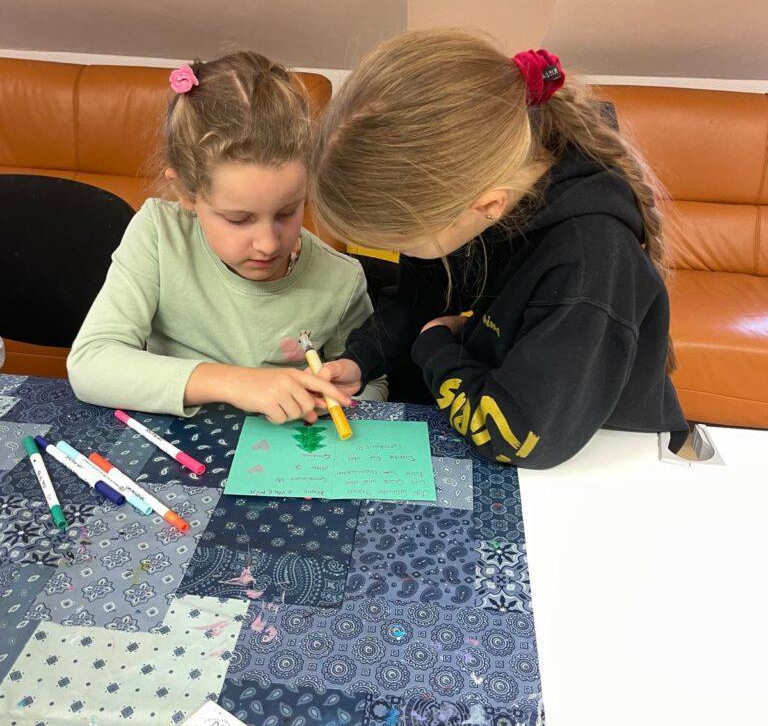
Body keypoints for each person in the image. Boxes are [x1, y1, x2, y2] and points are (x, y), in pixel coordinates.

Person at [309, 29, 687, 468]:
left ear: (488, 205)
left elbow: (522, 437)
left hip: (599, 461)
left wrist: (435, 348)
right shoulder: (473, 198)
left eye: (402, 242)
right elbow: (418, 299)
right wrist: (361, 360)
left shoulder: (588, 261)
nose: (401, 252)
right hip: (505, 410)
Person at [69, 51, 385, 421]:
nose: (268, 244)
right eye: (238, 219)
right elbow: (91, 362)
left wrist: (343, 397)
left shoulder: (342, 280)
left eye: (287, 212)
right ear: (186, 192)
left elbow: (373, 383)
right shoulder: (159, 234)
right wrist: (236, 383)